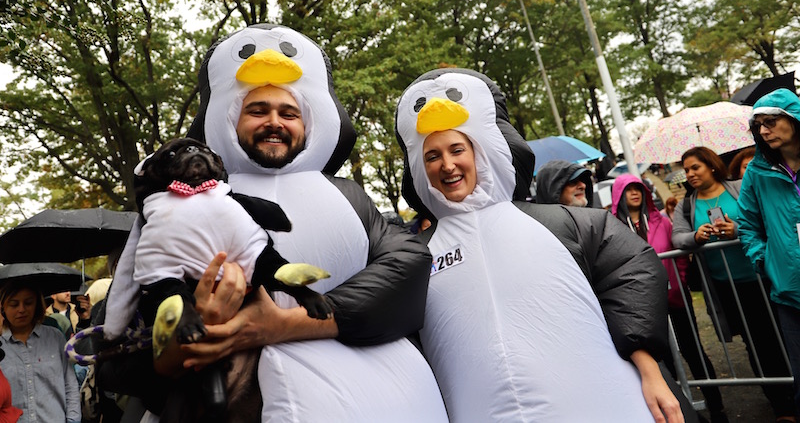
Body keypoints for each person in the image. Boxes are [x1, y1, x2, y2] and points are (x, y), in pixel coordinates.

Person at [102, 24, 447, 421]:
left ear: (308, 123)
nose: (274, 122)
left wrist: (284, 324)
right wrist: (191, 332)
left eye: (288, 113)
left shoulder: (349, 196)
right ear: (230, 120)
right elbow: (118, 351)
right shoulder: (172, 205)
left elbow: (408, 272)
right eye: (257, 110)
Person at [395, 68, 684, 422]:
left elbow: (632, 275)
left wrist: (649, 369)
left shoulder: (566, 223)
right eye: (432, 156)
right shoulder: (415, 257)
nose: (448, 165)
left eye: (457, 149)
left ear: (481, 151)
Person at [673, 145, 797, 421]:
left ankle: (793, 395)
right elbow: (677, 238)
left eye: (695, 167)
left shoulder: (740, 187)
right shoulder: (687, 204)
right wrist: (696, 236)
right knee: (756, 345)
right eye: (687, 170)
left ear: (712, 166)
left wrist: (737, 229)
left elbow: (766, 219)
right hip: (728, 287)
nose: (690, 174)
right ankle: (782, 407)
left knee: (784, 338)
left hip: (765, 278)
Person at [612, 174, 727, 422]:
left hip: (674, 299)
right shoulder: (612, 227)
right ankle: (683, 411)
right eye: (628, 189)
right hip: (640, 306)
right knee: (663, 361)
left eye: (638, 188)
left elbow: (680, 257)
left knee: (693, 351)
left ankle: (717, 408)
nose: (635, 193)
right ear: (618, 195)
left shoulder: (661, 221)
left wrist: (679, 281)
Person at [738, 88, 800, 413]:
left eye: (771, 121)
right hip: (790, 294)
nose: (763, 130)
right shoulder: (757, 172)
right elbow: (746, 224)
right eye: (759, 124)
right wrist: (766, 261)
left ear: (794, 119)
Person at [0, 282, 80, 423]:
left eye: (28, 303)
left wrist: (73, 419)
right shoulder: (0, 345)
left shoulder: (55, 337)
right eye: (14, 304)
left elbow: (70, 385)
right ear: (2, 307)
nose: (22, 309)